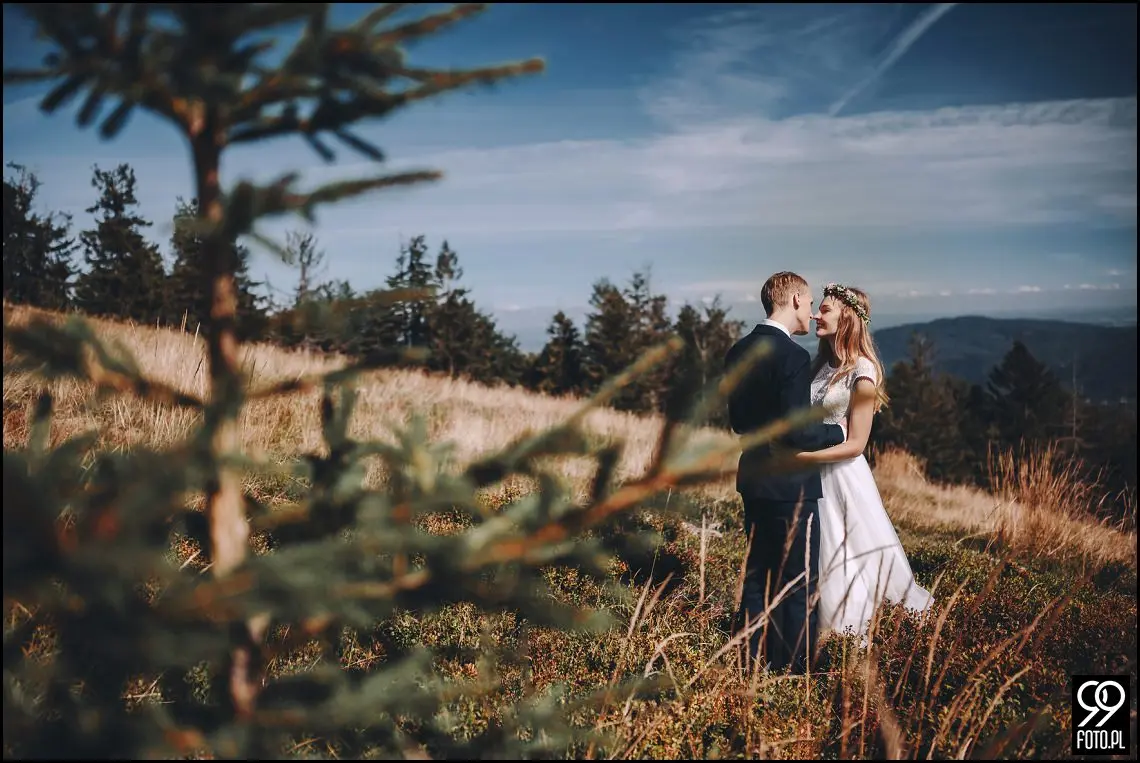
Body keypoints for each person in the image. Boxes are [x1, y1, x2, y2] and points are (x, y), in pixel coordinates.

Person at [795, 283, 934, 641]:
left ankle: (849, 627)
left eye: (824, 309)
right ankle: (818, 621)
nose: (815, 315)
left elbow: (857, 443)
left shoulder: (864, 371)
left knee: (850, 550)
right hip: (811, 472)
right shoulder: (819, 366)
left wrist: (806, 457)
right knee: (822, 550)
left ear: (846, 317)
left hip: (841, 475)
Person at [724, 271, 847, 675]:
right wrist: (836, 431)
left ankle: (751, 658)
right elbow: (799, 432)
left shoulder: (737, 351)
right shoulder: (792, 356)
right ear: (794, 299)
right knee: (798, 582)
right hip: (791, 485)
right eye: (809, 303)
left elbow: (739, 422)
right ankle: (796, 669)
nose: (811, 313)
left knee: (758, 578)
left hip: (754, 480)